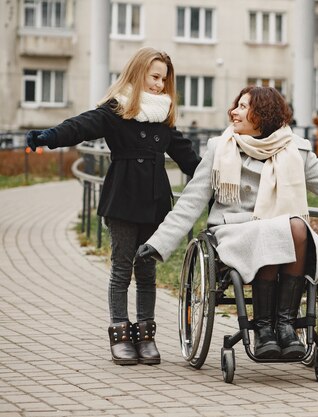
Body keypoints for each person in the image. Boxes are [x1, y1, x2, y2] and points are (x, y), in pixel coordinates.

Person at [136, 86, 318, 360]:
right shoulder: (220, 149)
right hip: (233, 232)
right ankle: (264, 329)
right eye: (236, 105)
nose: (234, 111)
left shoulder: (295, 151)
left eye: (243, 107)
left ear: (262, 114)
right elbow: (191, 201)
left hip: (281, 228)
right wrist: (157, 244)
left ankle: (286, 325)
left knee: (298, 227)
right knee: (275, 230)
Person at [25, 47, 201, 366]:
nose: (160, 85)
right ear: (138, 74)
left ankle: (146, 337)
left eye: (164, 79)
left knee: (146, 270)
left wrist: (221, 173)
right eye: (154, 77)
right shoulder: (115, 110)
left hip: (155, 201)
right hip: (122, 197)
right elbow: (79, 127)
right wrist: (46, 136)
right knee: (122, 268)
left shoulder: (164, 118)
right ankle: (120, 334)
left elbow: (189, 159)